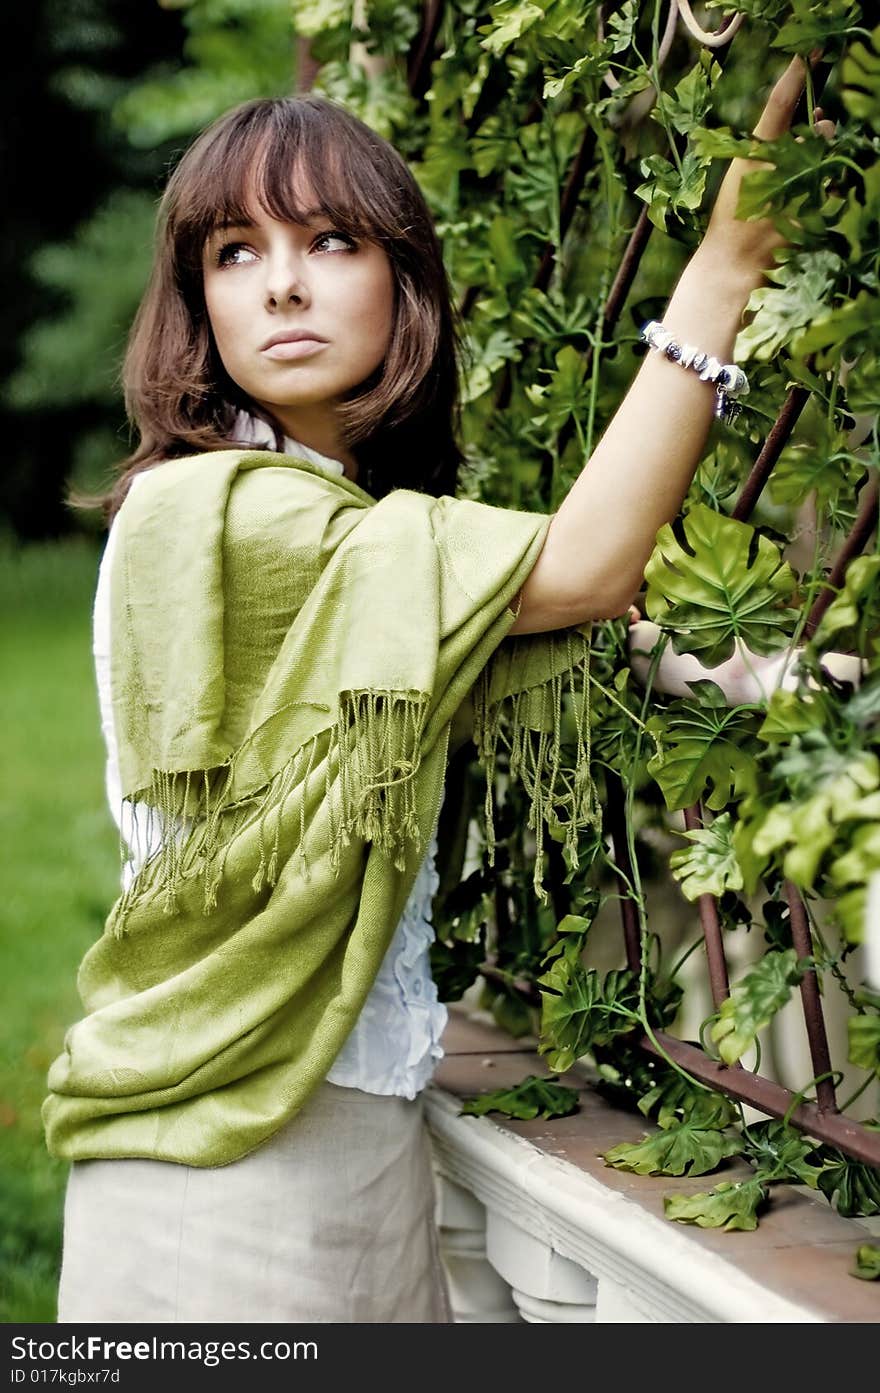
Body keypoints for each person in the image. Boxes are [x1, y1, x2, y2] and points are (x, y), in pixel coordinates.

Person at [44, 56, 834, 1324]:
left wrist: (809, 680)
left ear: (402, 281)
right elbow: (584, 570)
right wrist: (727, 266)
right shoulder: (218, 513)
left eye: (331, 238)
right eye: (234, 253)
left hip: (350, 1132)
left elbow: (590, 636)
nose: (283, 282)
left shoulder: (358, 537)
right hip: (213, 1162)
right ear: (195, 300)